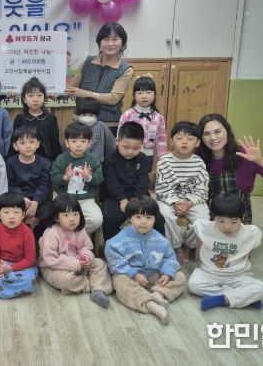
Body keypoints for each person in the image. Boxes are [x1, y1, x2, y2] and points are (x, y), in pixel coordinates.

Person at [105, 196, 186, 325]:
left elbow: (169, 257)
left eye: (149, 217)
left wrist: (167, 273)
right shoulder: (119, 240)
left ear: (155, 219)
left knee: (179, 276)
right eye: (138, 217)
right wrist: (133, 274)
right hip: (129, 276)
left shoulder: (160, 239)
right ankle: (151, 305)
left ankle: (158, 294)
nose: (144, 222)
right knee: (121, 283)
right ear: (129, 218)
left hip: (153, 274)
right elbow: (114, 259)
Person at [198, 113, 263, 224]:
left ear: (227, 131)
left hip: (240, 220)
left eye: (217, 132)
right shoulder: (198, 159)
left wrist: (260, 160)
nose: (213, 138)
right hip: (209, 219)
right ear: (201, 138)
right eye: (206, 134)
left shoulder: (245, 154)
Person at [189, 193, 263, 311]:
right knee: (193, 285)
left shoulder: (251, 233)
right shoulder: (204, 227)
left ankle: (222, 299)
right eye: (221, 221)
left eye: (234, 222)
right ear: (214, 217)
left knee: (261, 288)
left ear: (241, 218)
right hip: (209, 273)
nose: (227, 227)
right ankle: (243, 297)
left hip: (239, 275)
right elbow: (197, 230)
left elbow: (250, 250)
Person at [38, 195, 113, 308]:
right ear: (56, 218)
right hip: (54, 268)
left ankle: (98, 290)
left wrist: (86, 256)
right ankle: (92, 284)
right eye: (66, 215)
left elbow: (87, 246)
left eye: (75, 214)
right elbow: (51, 259)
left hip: (79, 264)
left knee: (100, 263)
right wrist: (76, 264)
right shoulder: (51, 233)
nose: (72, 219)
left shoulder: (80, 230)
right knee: (64, 280)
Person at [65, 22, 134, 135]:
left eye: (115, 39)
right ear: (99, 42)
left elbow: (113, 98)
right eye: (106, 39)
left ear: (122, 42)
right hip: (80, 122)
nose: (110, 44)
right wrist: (56, 93)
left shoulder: (125, 69)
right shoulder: (87, 62)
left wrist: (83, 93)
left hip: (108, 125)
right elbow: (72, 88)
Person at [155, 121, 210, 264]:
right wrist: (175, 202)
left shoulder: (199, 163)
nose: (184, 142)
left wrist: (189, 202)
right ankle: (175, 246)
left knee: (203, 218)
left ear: (197, 143)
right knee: (165, 216)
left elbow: (202, 187)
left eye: (190, 139)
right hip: (168, 199)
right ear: (171, 141)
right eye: (179, 138)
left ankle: (189, 245)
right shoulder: (164, 161)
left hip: (192, 200)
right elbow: (162, 187)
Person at [102, 122, 166, 241]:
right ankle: (113, 248)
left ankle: (157, 247)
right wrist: (122, 199)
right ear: (117, 141)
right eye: (126, 147)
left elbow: (143, 183)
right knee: (110, 217)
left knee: (158, 219)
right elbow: (111, 181)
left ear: (142, 145)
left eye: (136, 148)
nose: (130, 152)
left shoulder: (144, 159)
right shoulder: (110, 158)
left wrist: (134, 202)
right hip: (115, 197)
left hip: (139, 196)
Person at [51, 121, 104, 235]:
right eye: (74, 141)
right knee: (55, 220)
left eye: (83, 141)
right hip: (65, 200)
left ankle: (75, 236)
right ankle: (69, 238)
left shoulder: (93, 159)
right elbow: (54, 179)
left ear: (89, 143)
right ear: (67, 143)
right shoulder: (61, 158)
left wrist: (88, 177)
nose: (78, 145)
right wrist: (65, 177)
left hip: (86, 200)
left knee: (96, 220)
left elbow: (99, 179)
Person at [5, 126, 52, 232]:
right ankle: (18, 237)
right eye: (23, 143)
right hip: (18, 198)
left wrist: (35, 202)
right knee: (10, 212)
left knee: (49, 213)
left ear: (37, 144)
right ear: (15, 146)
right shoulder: (10, 162)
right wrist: (21, 198)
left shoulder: (43, 163)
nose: (28, 146)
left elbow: (44, 185)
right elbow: (11, 184)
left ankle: (38, 238)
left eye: (31, 142)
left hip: (39, 200)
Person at [8, 76, 62, 161]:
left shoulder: (50, 118)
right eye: (31, 96)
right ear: (24, 99)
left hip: (46, 162)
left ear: (44, 98)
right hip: (24, 161)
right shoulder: (20, 119)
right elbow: (14, 142)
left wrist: (58, 162)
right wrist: (10, 161)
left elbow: (55, 144)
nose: (35, 99)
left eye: (39, 95)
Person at [118, 75, 167, 166]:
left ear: (155, 95)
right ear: (134, 95)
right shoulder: (127, 115)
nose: (144, 96)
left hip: (148, 156)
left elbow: (161, 140)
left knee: (144, 174)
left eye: (148, 92)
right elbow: (119, 136)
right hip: (129, 154)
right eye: (140, 93)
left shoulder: (159, 117)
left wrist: (162, 159)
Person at [74, 97, 116, 164]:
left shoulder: (101, 126)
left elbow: (111, 145)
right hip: (76, 162)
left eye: (91, 115)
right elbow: (66, 146)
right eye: (84, 115)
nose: (87, 117)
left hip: (97, 164)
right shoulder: (73, 126)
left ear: (97, 115)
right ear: (78, 115)